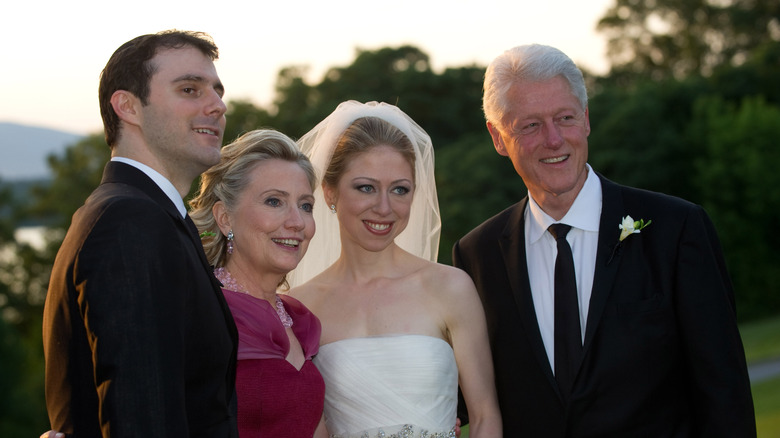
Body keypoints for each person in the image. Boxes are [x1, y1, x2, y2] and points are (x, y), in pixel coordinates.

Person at [452, 44, 757, 436]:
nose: (554, 139)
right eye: (530, 126)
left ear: (586, 119)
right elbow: (471, 397)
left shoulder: (677, 229)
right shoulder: (476, 256)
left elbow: (724, 392)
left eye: (565, 118)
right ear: (497, 137)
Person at [41, 30, 238, 437]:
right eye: (190, 89)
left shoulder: (156, 217)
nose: (218, 106)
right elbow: (141, 417)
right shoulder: (128, 221)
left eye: (217, 92)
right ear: (128, 106)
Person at [289, 101, 502, 438]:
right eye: (366, 187)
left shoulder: (451, 288)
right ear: (329, 192)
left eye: (399, 190)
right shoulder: (300, 307)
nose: (384, 208)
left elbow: (486, 416)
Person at [189, 129, 326, 437]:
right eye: (274, 201)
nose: (297, 222)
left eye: (305, 205)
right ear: (225, 218)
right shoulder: (200, 312)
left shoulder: (303, 324)